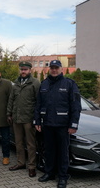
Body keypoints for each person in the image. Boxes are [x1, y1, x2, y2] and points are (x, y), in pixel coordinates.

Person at [34, 60, 81, 188]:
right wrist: (37, 121)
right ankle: (49, 173)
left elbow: (76, 106)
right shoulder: (44, 84)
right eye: (52, 68)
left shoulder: (69, 84)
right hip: (47, 125)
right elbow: (38, 105)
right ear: (49, 69)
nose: (54, 70)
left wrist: (73, 125)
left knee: (62, 153)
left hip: (63, 126)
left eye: (56, 68)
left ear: (61, 69)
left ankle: (62, 177)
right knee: (49, 151)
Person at [7, 61, 40, 177]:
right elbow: (11, 100)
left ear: (30, 70)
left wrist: (37, 118)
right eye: (22, 69)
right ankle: (21, 163)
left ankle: (32, 166)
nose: (23, 71)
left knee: (30, 144)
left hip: (29, 119)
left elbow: (38, 102)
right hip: (16, 118)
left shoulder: (35, 83)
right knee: (18, 143)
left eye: (25, 69)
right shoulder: (15, 84)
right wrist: (9, 114)